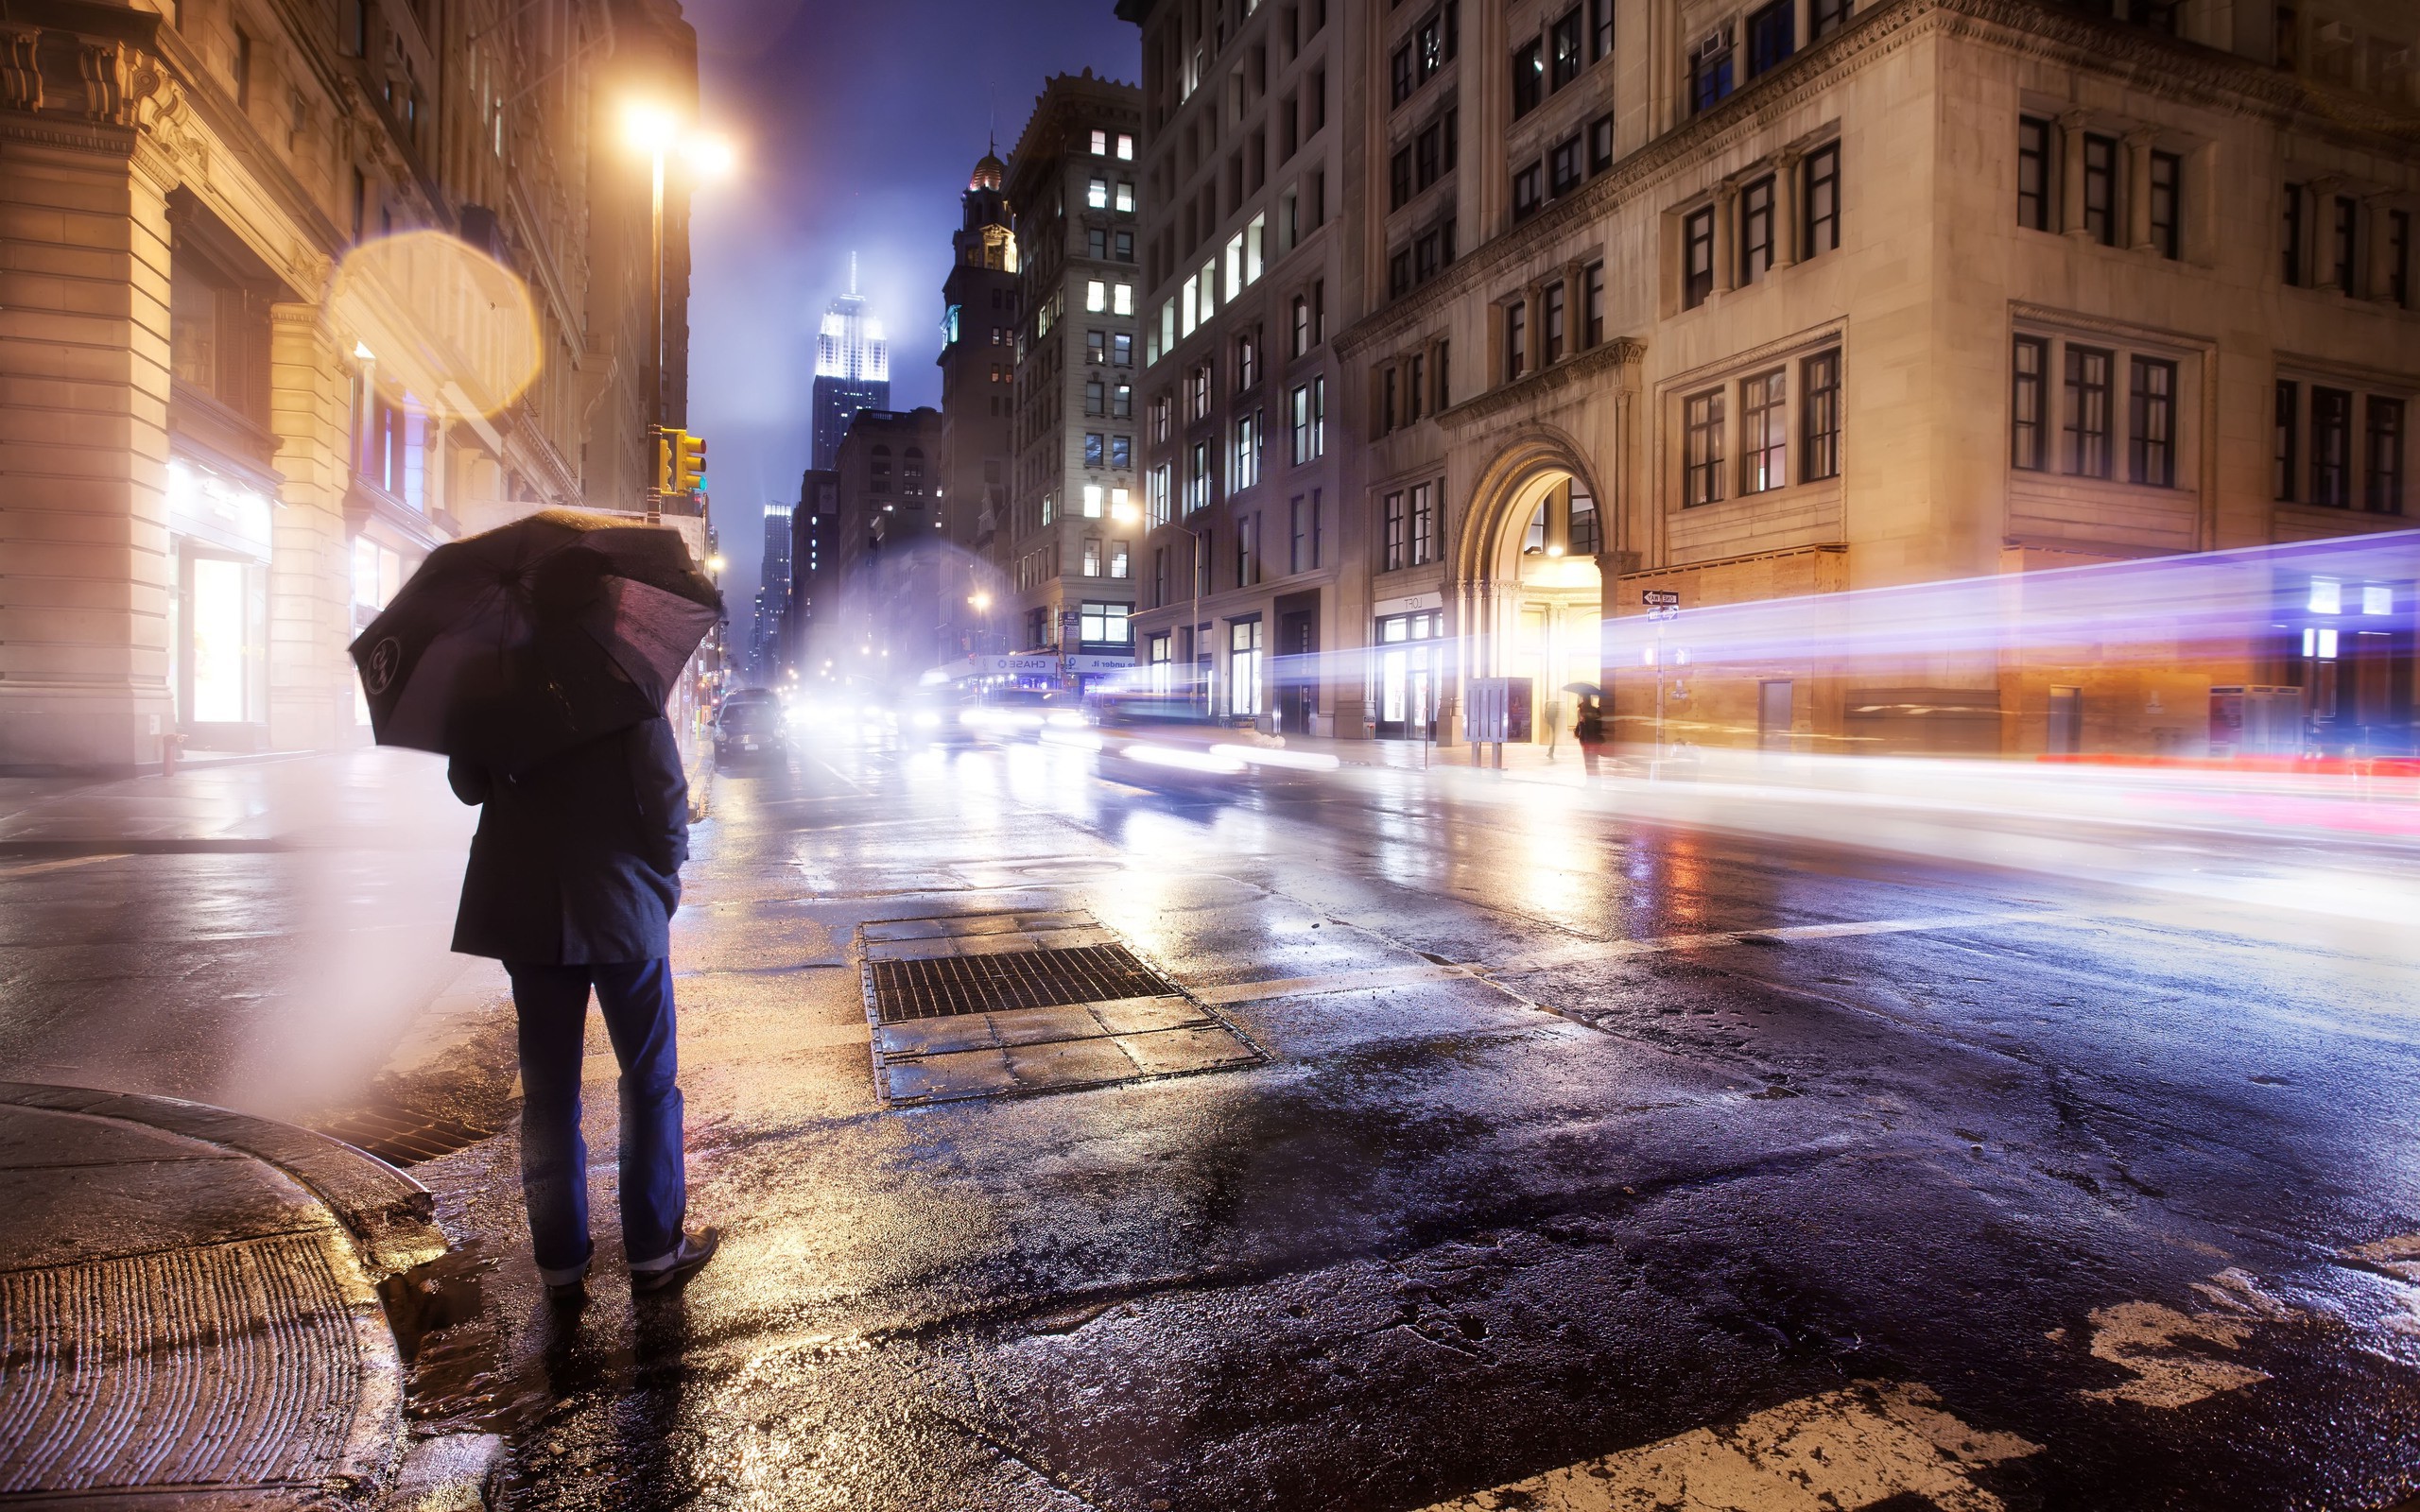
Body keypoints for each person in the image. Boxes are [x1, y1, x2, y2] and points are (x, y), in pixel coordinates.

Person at [448, 715, 719, 1302]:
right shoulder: (620, 682)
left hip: (530, 905)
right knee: (649, 1080)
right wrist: (666, 872)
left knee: (548, 1095)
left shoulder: (495, 683)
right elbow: (664, 795)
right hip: (621, 900)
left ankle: (561, 1262)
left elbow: (467, 784)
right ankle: (654, 1250)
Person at [1574, 695, 1609, 782]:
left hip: (1585, 738)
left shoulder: (1581, 711)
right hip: (1594, 738)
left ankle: (1591, 778)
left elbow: (1580, 724)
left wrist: (1578, 730)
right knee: (1593, 759)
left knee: (1588, 759)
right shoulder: (1596, 710)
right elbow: (1599, 725)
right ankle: (1595, 778)